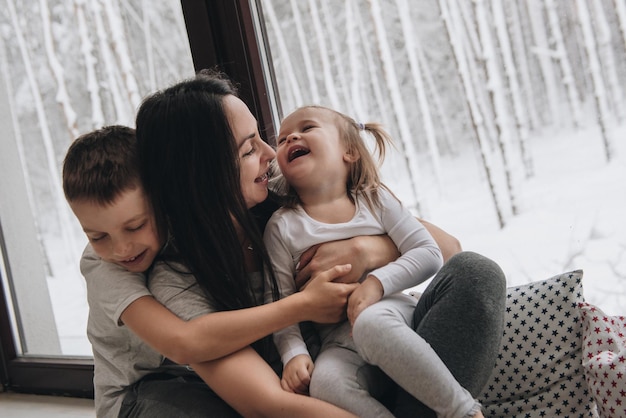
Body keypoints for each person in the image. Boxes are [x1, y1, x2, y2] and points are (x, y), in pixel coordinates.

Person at [62, 125, 366, 417]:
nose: (121, 249)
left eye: (135, 226)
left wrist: (374, 248)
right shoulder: (103, 268)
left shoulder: (197, 216)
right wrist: (301, 305)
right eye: (97, 236)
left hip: (208, 373)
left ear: (163, 198)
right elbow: (183, 343)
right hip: (140, 392)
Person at [264, 105, 490, 418]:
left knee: (371, 322)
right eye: (282, 139)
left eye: (307, 128)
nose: (291, 138)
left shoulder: (375, 199)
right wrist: (293, 353)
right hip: (338, 344)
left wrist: (374, 285)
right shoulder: (281, 226)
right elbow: (281, 302)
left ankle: (463, 411)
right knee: (325, 384)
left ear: (349, 151)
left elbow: (429, 253)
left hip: (392, 316)